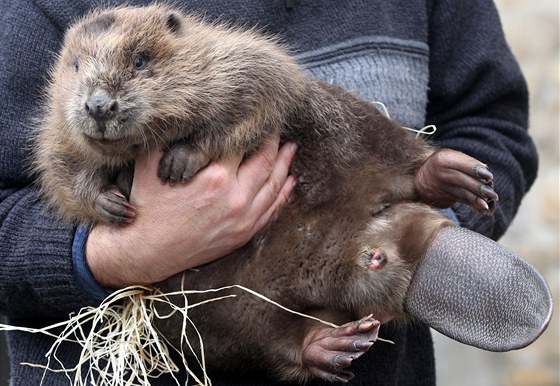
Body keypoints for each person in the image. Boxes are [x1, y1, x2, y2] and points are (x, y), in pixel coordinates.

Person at [0, 0, 538, 385]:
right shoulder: (35, 16)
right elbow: (31, 191)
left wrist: (421, 218)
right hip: (161, 336)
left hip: (362, 276)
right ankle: (303, 335)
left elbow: (491, 122)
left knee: (327, 115)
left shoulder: (220, 62)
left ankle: (406, 245)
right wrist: (116, 255)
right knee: (210, 308)